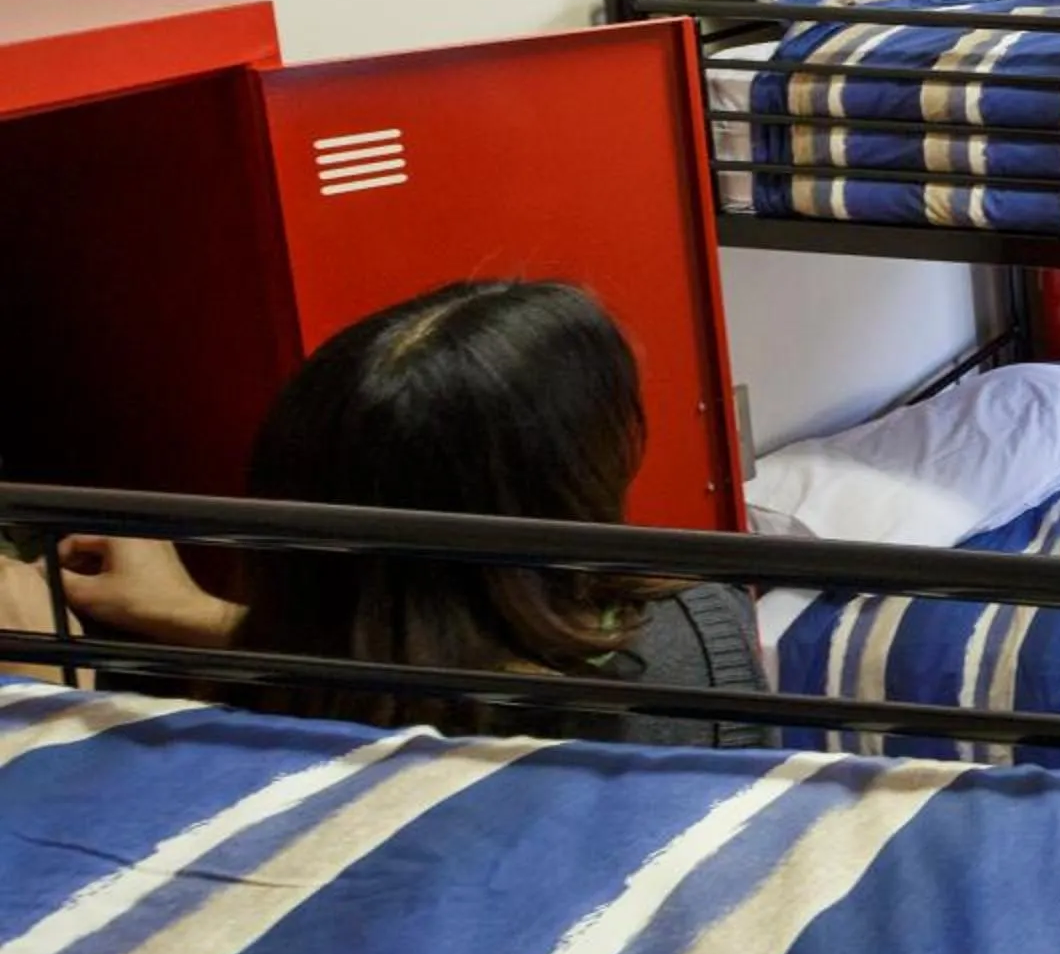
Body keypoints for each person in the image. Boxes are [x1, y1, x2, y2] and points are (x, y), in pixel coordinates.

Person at [11, 280, 768, 746]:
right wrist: (195, 617)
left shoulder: (353, 755)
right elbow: (442, 661)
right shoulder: (691, 622)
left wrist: (53, 695)